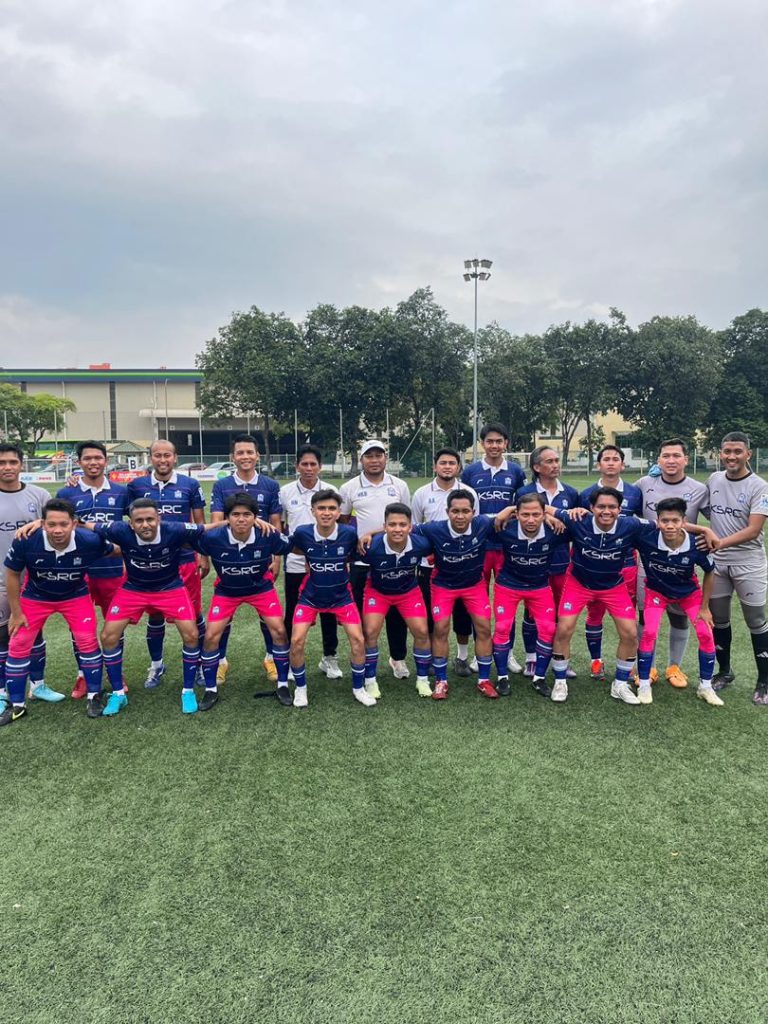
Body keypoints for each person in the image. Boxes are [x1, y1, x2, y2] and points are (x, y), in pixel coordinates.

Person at [549, 487, 715, 705]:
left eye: (611, 507)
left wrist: (704, 530)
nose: (606, 511)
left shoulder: (631, 524)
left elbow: (666, 523)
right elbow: (541, 508)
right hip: (579, 584)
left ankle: (619, 684)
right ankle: (560, 681)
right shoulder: (578, 519)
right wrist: (549, 517)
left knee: (630, 633)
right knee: (564, 628)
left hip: (613, 585)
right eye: (601, 507)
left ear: (620, 510)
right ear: (591, 508)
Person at [1, 498, 116, 725]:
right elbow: (12, 574)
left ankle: (94, 695)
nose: (57, 530)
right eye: (51, 524)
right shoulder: (26, 539)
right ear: (42, 524)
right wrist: (16, 612)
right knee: (19, 643)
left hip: (75, 596)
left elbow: (118, 550)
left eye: (63, 524)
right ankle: (17, 705)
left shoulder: (89, 540)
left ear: (73, 523)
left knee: (87, 641)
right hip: (36, 597)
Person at [195, 493, 293, 709]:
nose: (241, 519)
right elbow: (185, 537)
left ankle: (283, 684)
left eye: (247, 514)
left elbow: (295, 545)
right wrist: (216, 525)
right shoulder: (213, 538)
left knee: (279, 630)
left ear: (256, 517)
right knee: (211, 635)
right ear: (227, 517)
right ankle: (210, 689)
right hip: (227, 591)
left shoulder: (267, 535)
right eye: (235, 515)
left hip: (260, 589)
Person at [126, 440, 208, 687]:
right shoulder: (136, 486)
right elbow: (126, 525)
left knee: (193, 614)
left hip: (184, 560)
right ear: (150, 457)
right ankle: (156, 665)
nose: (162, 460)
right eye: (157, 455)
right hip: (149, 561)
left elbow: (199, 524)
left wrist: (203, 555)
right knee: (155, 615)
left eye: (167, 455)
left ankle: (200, 664)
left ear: (175, 457)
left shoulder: (190, 485)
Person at [288, 490, 375, 708]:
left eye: (331, 508)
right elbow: (294, 548)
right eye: (321, 508)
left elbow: (354, 554)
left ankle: (359, 688)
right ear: (313, 511)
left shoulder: (348, 533)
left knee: (358, 640)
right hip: (310, 597)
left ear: (338, 512)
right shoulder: (302, 532)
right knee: (296, 641)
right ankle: (300, 689)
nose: (326, 513)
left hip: (341, 597)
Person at [57, 440, 129, 698]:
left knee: (115, 625)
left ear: (106, 461)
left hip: (112, 569)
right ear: (79, 462)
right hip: (79, 571)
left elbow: (134, 524)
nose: (93, 462)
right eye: (87, 458)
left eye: (98, 458)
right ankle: (84, 675)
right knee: (79, 628)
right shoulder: (66, 493)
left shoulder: (122, 492)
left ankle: (115, 673)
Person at [636, 439, 708, 688]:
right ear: (658, 460)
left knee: (679, 617)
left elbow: (716, 518)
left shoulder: (699, 489)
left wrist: (706, 532)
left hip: (682, 564)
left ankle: (674, 667)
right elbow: (627, 513)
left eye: (676, 455)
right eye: (666, 455)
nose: (671, 460)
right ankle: (648, 667)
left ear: (686, 459)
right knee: (646, 618)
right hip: (649, 564)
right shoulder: (644, 484)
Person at [634, 498, 721, 706]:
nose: (670, 525)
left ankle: (705, 687)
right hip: (656, 592)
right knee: (649, 632)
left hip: (688, 594)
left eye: (675, 520)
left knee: (705, 633)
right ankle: (644, 684)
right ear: (658, 521)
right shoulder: (646, 538)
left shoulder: (697, 544)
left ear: (684, 522)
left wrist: (705, 607)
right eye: (665, 520)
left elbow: (710, 572)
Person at [211, 433, 283, 684]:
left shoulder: (270, 485)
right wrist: (251, 520)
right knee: (224, 616)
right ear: (233, 457)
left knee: (268, 614)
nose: (245, 457)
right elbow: (216, 522)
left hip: (260, 558)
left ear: (257, 456)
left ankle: (271, 658)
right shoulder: (222, 486)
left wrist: (277, 558)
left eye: (249, 452)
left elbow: (276, 523)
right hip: (230, 558)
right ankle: (220, 661)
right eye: (240, 452)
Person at [411, 490, 496, 700]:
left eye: (465, 511)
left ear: (473, 512)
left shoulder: (483, 523)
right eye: (455, 511)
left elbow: (512, 513)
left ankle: (484, 680)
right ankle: (441, 681)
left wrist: (549, 517)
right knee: (440, 628)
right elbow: (404, 527)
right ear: (447, 511)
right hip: (443, 585)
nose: (460, 516)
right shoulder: (434, 528)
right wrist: (371, 534)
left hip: (474, 586)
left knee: (484, 627)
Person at [703, 432, 768, 704]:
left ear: (748, 455)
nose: (732, 456)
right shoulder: (714, 479)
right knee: (719, 619)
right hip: (718, 563)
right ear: (721, 453)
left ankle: (764, 680)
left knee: (756, 620)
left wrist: (719, 541)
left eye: (737, 452)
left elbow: (754, 529)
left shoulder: (759, 486)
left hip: (748, 562)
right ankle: (725, 671)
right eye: (727, 451)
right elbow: (707, 510)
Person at [339, 441, 411, 681]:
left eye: (378, 455)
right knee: (363, 614)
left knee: (396, 612)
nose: (374, 460)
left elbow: (406, 521)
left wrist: (375, 532)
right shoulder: (349, 487)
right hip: (362, 561)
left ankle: (397, 658)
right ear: (362, 460)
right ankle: (362, 657)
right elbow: (343, 521)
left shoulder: (399, 485)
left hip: (394, 558)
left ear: (385, 458)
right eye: (369, 456)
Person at [461, 422, 526, 672]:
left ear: (506, 443)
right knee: (478, 603)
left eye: (499, 441)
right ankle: (481, 652)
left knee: (507, 602)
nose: (494, 445)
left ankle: (507, 652)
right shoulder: (471, 472)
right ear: (482, 444)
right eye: (490, 441)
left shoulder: (516, 471)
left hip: (507, 547)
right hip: (478, 546)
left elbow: (523, 504)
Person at [492, 493, 567, 698]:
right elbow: (474, 523)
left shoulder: (555, 530)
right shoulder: (504, 527)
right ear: (516, 514)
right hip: (508, 585)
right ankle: (502, 677)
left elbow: (585, 523)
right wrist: (504, 512)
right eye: (525, 515)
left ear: (544, 514)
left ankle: (539, 678)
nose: (531, 520)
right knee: (502, 627)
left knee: (548, 629)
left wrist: (556, 516)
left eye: (536, 514)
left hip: (539, 587)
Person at [411, 448, 479, 677]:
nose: (447, 466)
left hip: (461, 565)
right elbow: (416, 528)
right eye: (443, 462)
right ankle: (433, 657)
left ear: (458, 467)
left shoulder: (469, 492)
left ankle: (462, 657)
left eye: (452, 463)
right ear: (435, 466)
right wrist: (428, 552)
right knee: (434, 615)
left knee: (462, 615)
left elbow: (473, 524)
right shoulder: (421, 493)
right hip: (429, 566)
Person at [579, 445, 643, 681]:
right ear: (599, 465)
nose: (611, 463)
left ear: (622, 465)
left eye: (615, 459)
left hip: (626, 564)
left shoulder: (635, 492)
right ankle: (596, 661)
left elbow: (640, 525)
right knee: (595, 613)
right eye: (606, 459)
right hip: (594, 565)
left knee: (627, 617)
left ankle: (629, 663)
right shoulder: (586, 494)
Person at [515, 446, 580, 678]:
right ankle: (531, 658)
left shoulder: (570, 493)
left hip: (561, 561)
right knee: (532, 612)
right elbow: (518, 521)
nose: (555, 465)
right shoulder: (524, 492)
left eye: (556, 460)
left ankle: (559, 658)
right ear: (536, 467)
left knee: (561, 614)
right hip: (533, 561)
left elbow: (576, 526)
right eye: (549, 461)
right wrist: (547, 518)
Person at [358, 502, 432, 699]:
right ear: (384, 526)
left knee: (422, 631)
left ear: (410, 526)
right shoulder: (371, 547)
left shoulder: (421, 544)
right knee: (370, 631)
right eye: (392, 524)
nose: (397, 529)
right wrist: (369, 534)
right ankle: (370, 680)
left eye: (402, 524)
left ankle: (422, 680)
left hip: (408, 592)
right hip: (378, 592)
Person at [280, 445, 341, 680]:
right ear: (297, 466)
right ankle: (291, 659)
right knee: (293, 611)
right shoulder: (285, 492)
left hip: (327, 564)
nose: (308, 468)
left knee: (329, 612)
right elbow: (281, 528)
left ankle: (329, 658)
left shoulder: (331, 490)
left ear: (320, 466)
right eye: (304, 464)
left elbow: (340, 526)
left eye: (312, 464)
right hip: (296, 563)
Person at [0, 442, 53, 710]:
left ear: (21, 465)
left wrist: (41, 522)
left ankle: (38, 685)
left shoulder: (39, 495)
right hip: (1, 581)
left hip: (34, 580)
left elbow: (59, 521)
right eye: (2, 463)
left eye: (12, 462)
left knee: (34, 631)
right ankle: (2, 693)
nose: (7, 467)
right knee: (2, 634)